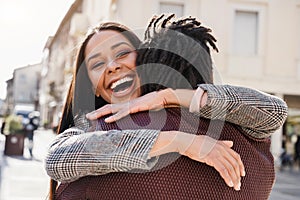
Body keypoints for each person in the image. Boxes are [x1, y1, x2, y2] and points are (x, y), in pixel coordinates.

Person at [45, 15, 288, 199]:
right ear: (93, 88)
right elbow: (58, 158)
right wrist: (181, 142)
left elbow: (275, 110)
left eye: (122, 53)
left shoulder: (223, 119)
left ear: (146, 61)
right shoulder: (93, 128)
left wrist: (169, 96)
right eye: (97, 64)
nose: (112, 66)